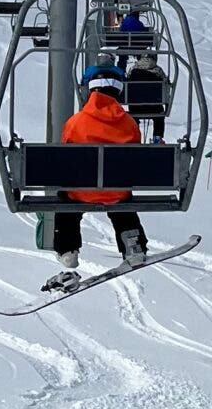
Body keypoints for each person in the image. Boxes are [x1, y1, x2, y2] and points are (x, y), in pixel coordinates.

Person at [44, 62, 150, 287]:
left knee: (67, 204)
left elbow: (66, 156)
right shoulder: (130, 124)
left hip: (81, 193)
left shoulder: (76, 122)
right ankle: (133, 243)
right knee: (122, 203)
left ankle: (67, 248)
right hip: (116, 193)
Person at [115, 7, 167, 143]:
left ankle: (134, 136)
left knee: (134, 115)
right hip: (154, 105)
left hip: (135, 105)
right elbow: (165, 82)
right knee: (159, 115)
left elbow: (127, 80)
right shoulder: (157, 70)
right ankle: (157, 137)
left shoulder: (133, 70)